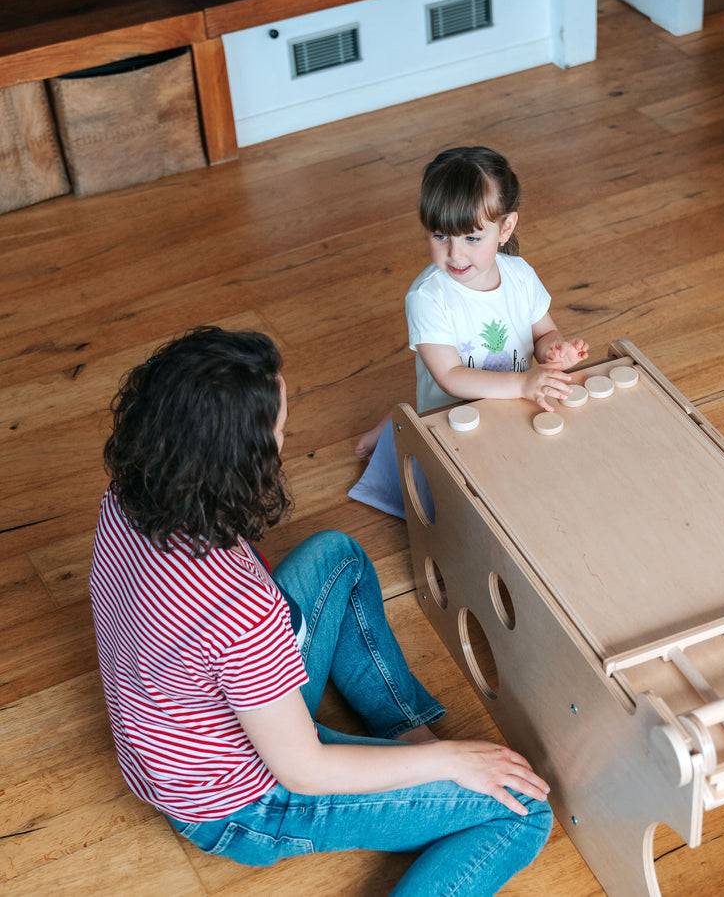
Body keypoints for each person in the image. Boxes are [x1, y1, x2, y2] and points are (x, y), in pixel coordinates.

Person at [89, 326, 552, 895]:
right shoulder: (237, 606)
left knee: (338, 558)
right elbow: (303, 771)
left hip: (168, 734)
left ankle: (408, 738)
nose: (285, 440)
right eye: (278, 433)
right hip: (243, 806)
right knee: (522, 810)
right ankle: (425, 764)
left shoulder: (134, 489)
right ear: (238, 461)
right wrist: (455, 761)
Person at [350, 147, 588, 514]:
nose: (455, 254)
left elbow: (543, 334)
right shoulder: (427, 298)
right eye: (441, 236)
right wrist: (523, 384)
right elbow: (449, 376)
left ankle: (394, 421)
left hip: (514, 404)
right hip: (454, 414)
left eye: (472, 239)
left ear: (505, 228)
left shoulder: (519, 275)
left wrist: (555, 351)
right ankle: (392, 430)